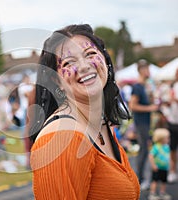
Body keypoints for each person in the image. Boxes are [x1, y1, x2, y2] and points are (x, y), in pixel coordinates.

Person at [29, 24, 140, 199]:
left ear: (105, 59)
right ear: (56, 80)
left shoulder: (102, 126)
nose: (84, 66)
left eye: (90, 54)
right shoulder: (61, 137)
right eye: (68, 62)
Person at [129, 59, 159, 189]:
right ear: (141, 70)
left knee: (145, 150)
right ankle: (139, 179)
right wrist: (150, 108)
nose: (149, 72)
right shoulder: (137, 87)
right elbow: (133, 105)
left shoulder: (146, 86)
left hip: (146, 122)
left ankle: (141, 178)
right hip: (141, 123)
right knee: (143, 150)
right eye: (147, 69)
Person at [148, 128, 171, 200]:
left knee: (164, 181)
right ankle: (152, 193)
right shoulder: (156, 147)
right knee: (155, 181)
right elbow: (151, 156)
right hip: (157, 167)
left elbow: (168, 156)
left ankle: (162, 193)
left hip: (165, 167)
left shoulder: (167, 147)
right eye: (167, 138)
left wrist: (169, 164)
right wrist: (153, 165)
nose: (169, 139)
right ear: (161, 138)